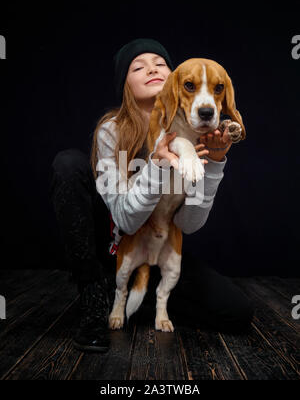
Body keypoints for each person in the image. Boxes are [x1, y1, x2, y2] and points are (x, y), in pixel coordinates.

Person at [50, 38, 254, 353]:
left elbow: (188, 224)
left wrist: (213, 164)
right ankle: (93, 293)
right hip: (117, 243)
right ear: (124, 84)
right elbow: (125, 220)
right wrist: (158, 164)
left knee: (238, 312)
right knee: (68, 163)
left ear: (173, 80)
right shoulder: (111, 131)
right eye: (138, 66)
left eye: (160, 63)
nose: (152, 69)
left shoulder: (198, 132)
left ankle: (147, 298)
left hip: (161, 241)